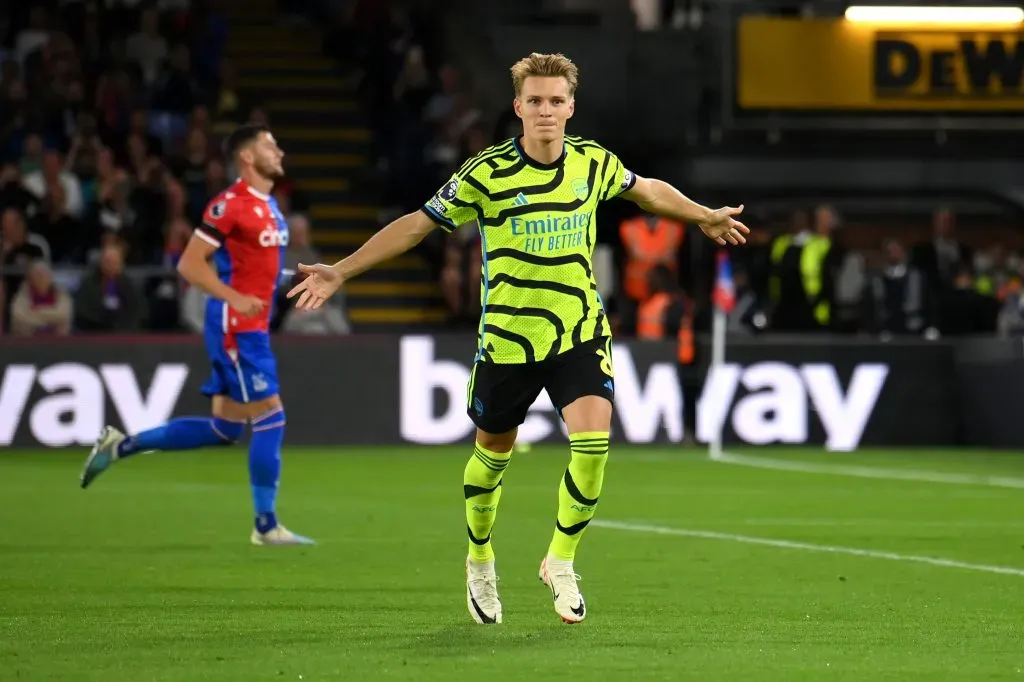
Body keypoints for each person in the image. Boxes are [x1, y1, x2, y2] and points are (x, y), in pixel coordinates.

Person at [288, 53, 748, 624]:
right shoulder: (487, 173)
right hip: (508, 341)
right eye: (536, 101)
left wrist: (701, 214)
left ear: (571, 107)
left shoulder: (593, 164)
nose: (547, 111)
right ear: (518, 107)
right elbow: (416, 225)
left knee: (594, 443)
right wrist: (341, 269)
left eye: (557, 101)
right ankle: (480, 560)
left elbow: (646, 190)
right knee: (490, 462)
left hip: (578, 331)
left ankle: (560, 560)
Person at [80, 124, 313, 547]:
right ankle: (266, 527)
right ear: (246, 157)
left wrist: (293, 277)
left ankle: (120, 446)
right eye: (268, 144)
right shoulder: (229, 205)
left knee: (225, 429)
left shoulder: (271, 206)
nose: (278, 149)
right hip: (236, 327)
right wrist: (233, 297)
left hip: (251, 326)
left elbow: (255, 266)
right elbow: (190, 264)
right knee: (271, 417)